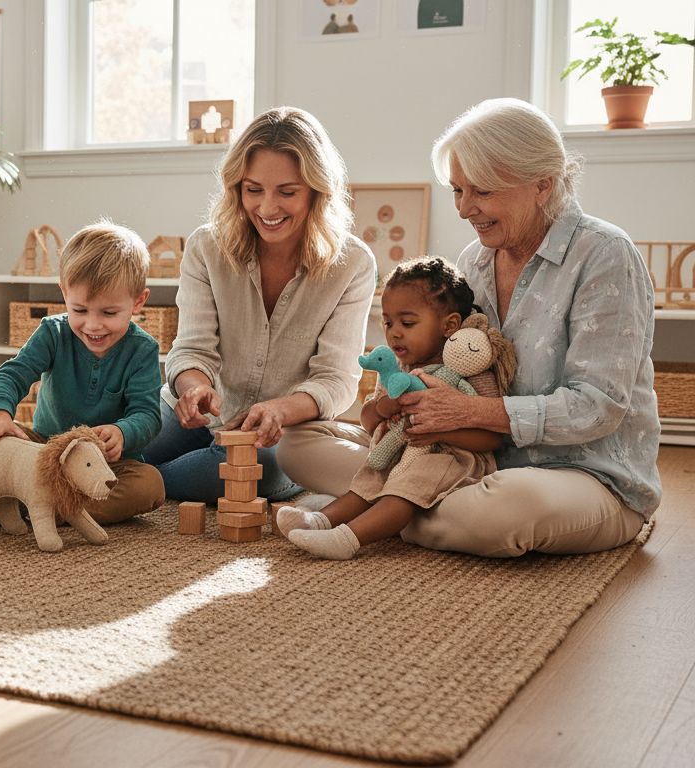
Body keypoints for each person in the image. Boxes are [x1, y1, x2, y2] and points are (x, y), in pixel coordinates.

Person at [282, 98, 661, 556]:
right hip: (467, 463)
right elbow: (441, 371)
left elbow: (598, 407)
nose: (464, 209)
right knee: (298, 445)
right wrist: (401, 404)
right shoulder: (473, 262)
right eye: (457, 191)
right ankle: (401, 505)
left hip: (583, 476)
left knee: (506, 510)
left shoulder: (605, 255)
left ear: (541, 184)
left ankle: (381, 510)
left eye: (481, 191)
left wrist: (470, 413)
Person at [143, 106, 376, 506]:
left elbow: (336, 381)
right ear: (237, 188)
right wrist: (194, 387)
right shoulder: (206, 247)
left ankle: (138, 485)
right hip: (200, 419)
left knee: (254, 472)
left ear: (317, 191)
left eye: (287, 192)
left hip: (283, 435)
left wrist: (278, 410)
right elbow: (192, 348)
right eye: (253, 190)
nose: (267, 209)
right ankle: (138, 476)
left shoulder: (352, 264)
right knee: (125, 438)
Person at [279, 257, 505, 559]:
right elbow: (368, 420)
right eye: (388, 322)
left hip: (452, 457)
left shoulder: (469, 367)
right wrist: (388, 406)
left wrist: (442, 431)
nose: (394, 332)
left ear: (449, 325)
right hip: (396, 450)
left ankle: (348, 539)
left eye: (407, 323)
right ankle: (322, 519)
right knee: (369, 476)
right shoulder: (398, 367)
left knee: (407, 483)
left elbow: (491, 439)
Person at [0, 220, 165, 525]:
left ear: (138, 301)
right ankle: (22, 499)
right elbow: (12, 375)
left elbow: (148, 414)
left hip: (106, 465)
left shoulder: (143, 350)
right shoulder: (53, 333)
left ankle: (33, 506)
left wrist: (123, 432)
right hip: (44, 450)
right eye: (80, 310)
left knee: (149, 485)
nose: (93, 325)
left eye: (109, 313)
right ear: (64, 293)